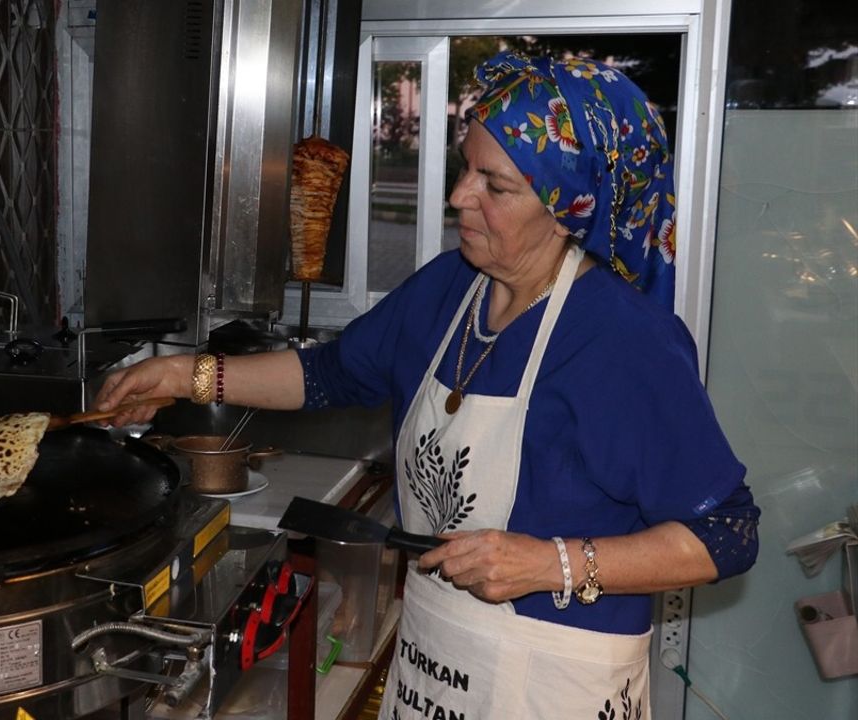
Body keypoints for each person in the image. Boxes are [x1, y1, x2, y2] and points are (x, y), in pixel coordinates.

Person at [94, 51, 759, 718]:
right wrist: (185, 373)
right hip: (433, 662)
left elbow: (727, 533)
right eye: (465, 166)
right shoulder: (450, 289)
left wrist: (548, 564)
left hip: (555, 683)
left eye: (493, 186)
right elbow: (328, 375)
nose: (458, 196)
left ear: (567, 211)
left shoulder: (623, 342)